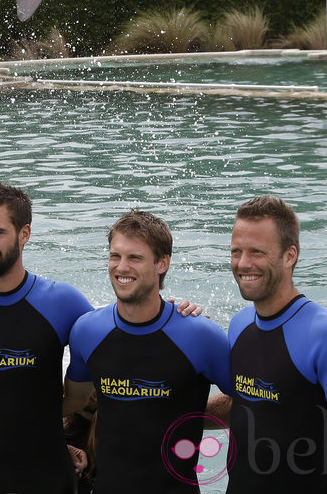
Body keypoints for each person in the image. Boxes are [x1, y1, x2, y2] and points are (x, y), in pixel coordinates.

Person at [208, 195, 327, 493]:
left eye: (257, 252)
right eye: (236, 251)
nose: (243, 263)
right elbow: (244, 406)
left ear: (289, 255)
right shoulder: (240, 325)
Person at [0, 183, 94, 494]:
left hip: (50, 481)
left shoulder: (63, 302)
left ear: (24, 234)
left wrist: (170, 312)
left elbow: (119, 341)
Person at [63, 210, 232, 493]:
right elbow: (73, 402)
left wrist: (180, 412)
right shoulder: (87, 331)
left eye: (135, 258)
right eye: (115, 256)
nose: (121, 267)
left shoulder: (201, 336)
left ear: (162, 263)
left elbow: (249, 400)